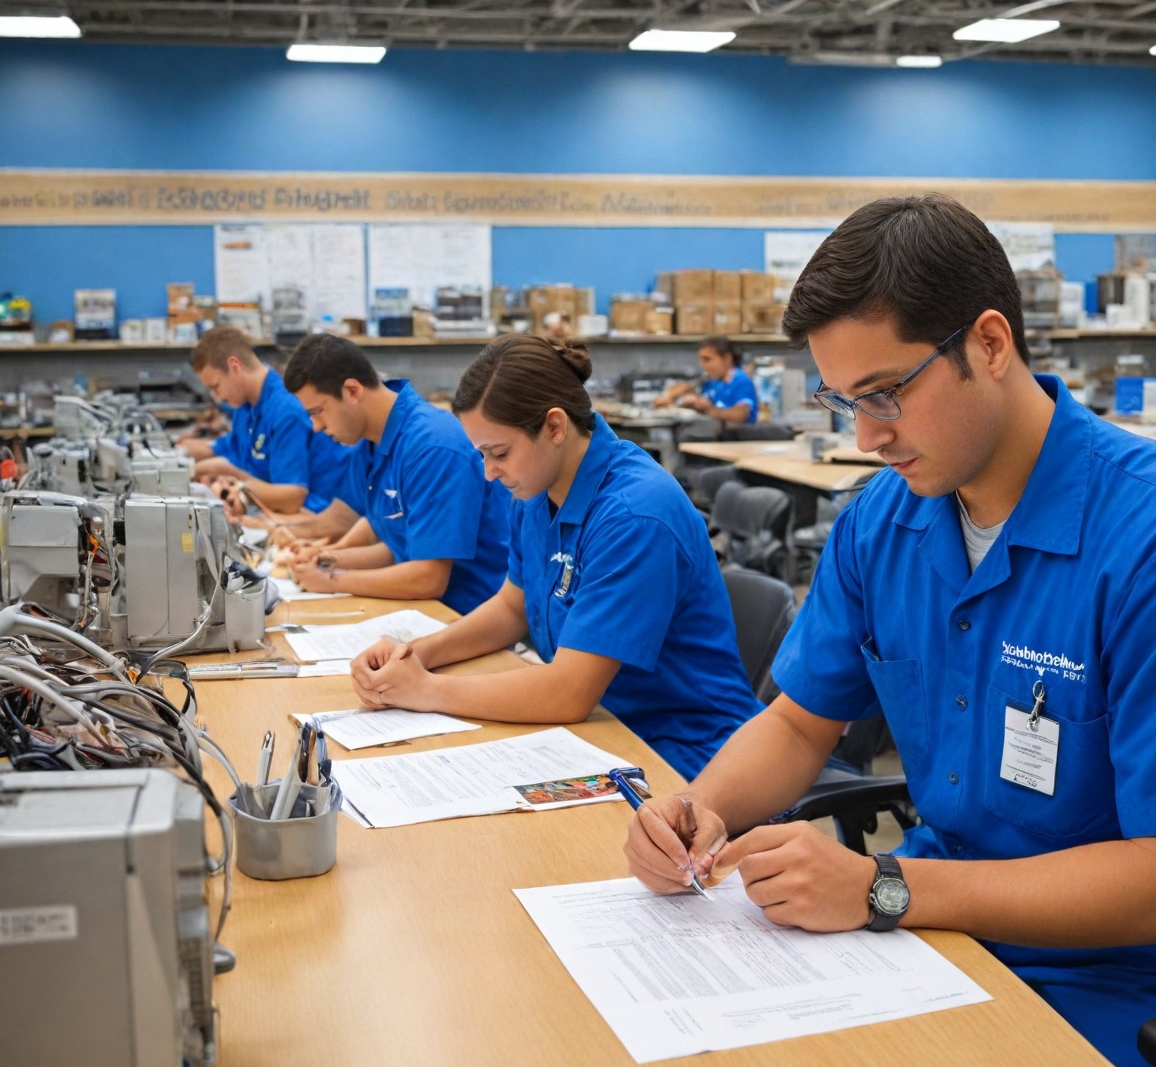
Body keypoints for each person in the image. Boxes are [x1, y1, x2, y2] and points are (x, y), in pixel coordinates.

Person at [623, 194, 1156, 1067]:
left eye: (886, 393)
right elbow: (801, 722)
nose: (867, 433)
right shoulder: (884, 519)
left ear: (989, 342)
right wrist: (700, 811)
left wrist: (885, 890)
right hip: (950, 944)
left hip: (1140, 1012)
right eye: (843, 401)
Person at [349, 335, 762, 781]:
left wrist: (428, 690)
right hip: (603, 728)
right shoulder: (535, 490)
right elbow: (511, 608)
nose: (489, 472)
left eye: (500, 453)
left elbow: (568, 692)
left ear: (555, 427)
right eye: (482, 455)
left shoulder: (634, 515)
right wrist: (414, 656)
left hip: (684, 748)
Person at [280, 334, 509, 612]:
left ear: (352, 391)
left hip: (466, 612)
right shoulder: (368, 442)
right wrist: (328, 558)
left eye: (317, 412)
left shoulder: (433, 446)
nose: (316, 426)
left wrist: (331, 579)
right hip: (419, 606)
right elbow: (391, 540)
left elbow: (428, 578)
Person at [178, 326, 353, 516]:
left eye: (216, 386)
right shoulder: (245, 408)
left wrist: (234, 476)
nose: (217, 397)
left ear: (234, 366)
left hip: (315, 515)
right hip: (273, 513)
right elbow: (232, 451)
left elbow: (291, 498)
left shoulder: (285, 410)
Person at [653, 336, 758, 424]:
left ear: (727, 358)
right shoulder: (712, 381)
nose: (702, 365)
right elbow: (687, 387)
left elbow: (740, 416)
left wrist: (707, 409)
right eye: (701, 360)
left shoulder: (741, 381)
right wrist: (669, 396)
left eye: (707, 359)